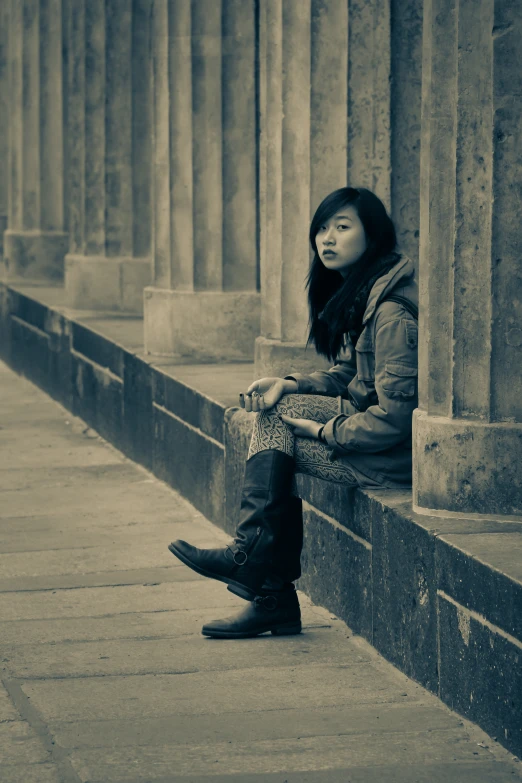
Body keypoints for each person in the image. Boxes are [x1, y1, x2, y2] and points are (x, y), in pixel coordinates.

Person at [168, 186, 418, 639]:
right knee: (276, 415)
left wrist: (327, 432)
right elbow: (350, 375)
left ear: (373, 235)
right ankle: (260, 577)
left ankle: (261, 580)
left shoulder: (393, 314)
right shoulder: (366, 295)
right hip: (369, 444)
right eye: (322, 227)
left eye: (342, 227)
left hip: (392, 459)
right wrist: (291, 383)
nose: (327, 238)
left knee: (273, 431)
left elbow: (396, 420)